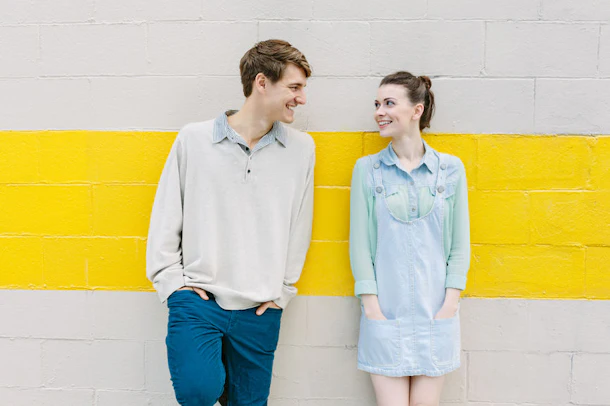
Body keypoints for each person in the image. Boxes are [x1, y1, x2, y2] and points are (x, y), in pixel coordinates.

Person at [146, 39, 315, 406]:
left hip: (260, 308)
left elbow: (300, 226)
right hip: (198, 301)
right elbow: (166, 215)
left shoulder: (302, 149)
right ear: (262, 82)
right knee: (198, 391)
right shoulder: (194, 139)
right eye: (294, 87)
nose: (301, 98)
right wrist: (173, 285)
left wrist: (282, 292)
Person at [349, 71, 470, 406]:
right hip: (386, 313)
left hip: (436, 314)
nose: (379, 112)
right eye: (377, 104)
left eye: (389, 103)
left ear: (417, 110)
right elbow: (360, 247)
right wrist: (372, 307)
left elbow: (460, 246)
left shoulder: (450, 169)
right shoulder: (367, 169)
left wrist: (450, 304)